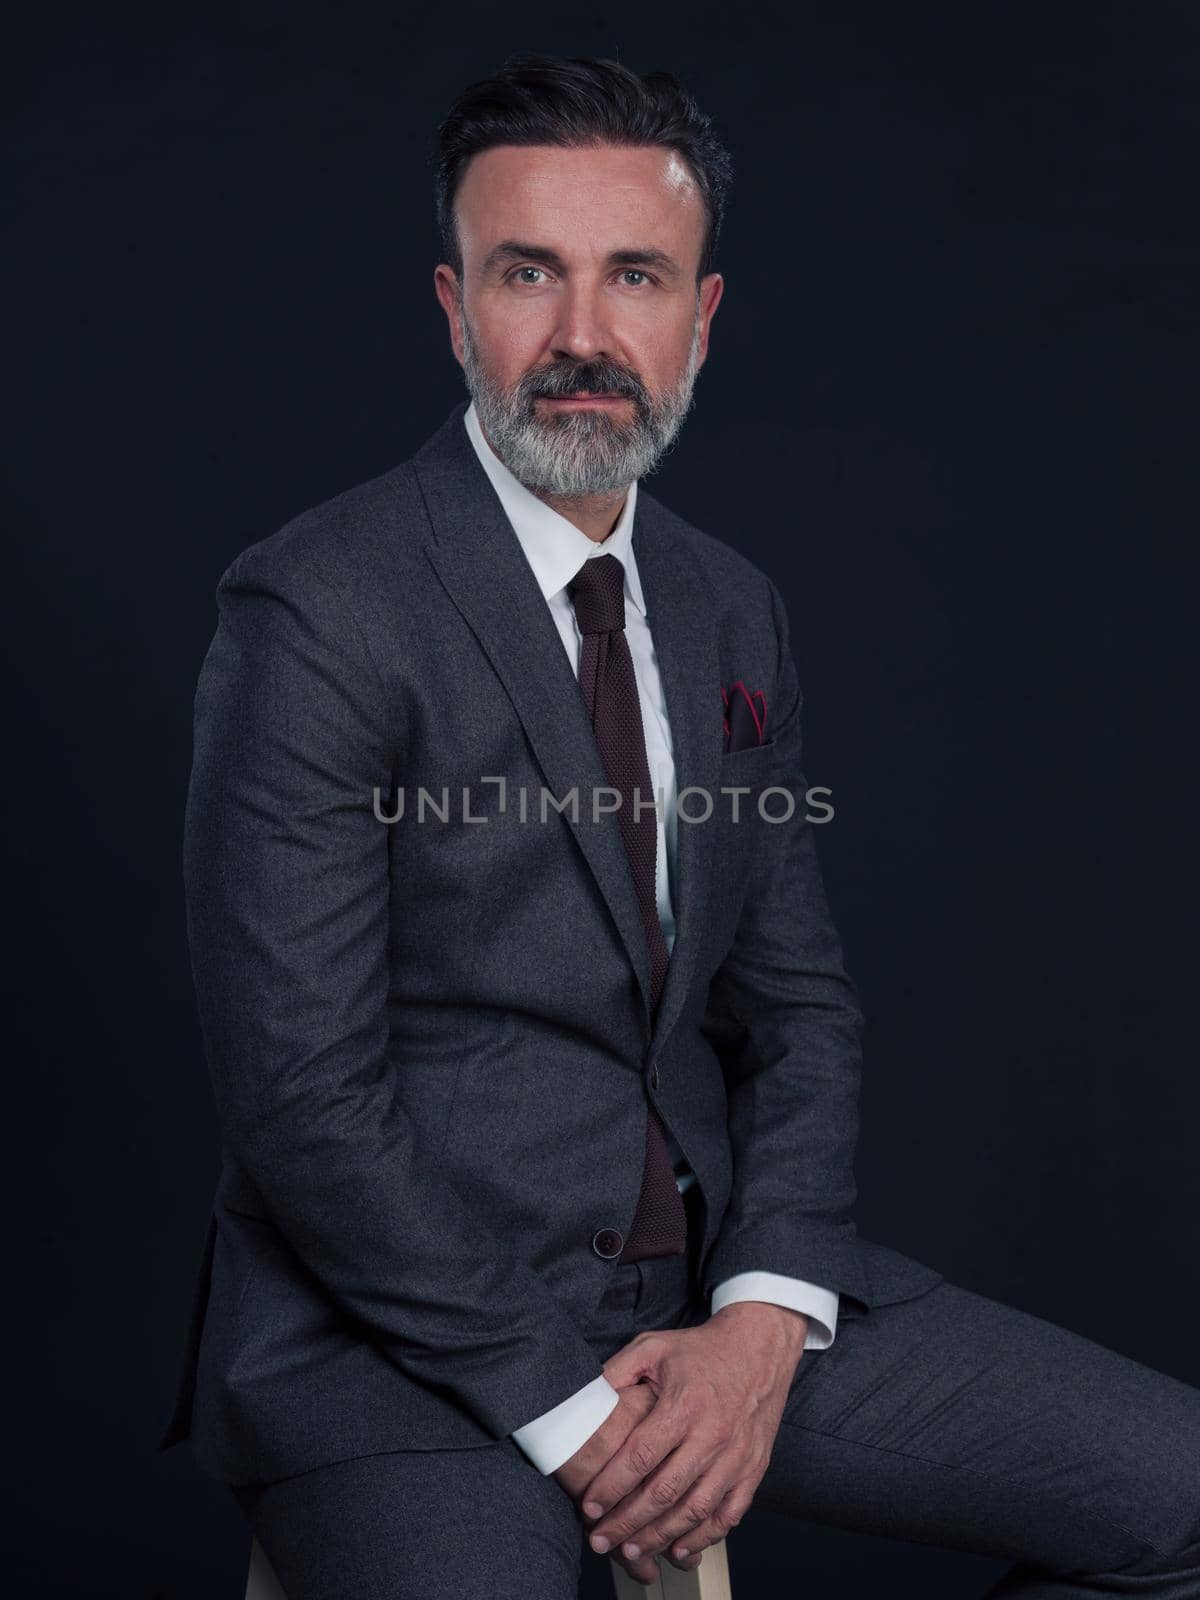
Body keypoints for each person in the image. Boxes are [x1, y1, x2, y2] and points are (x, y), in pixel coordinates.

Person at [157, 51, 1200, 1598]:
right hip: (404, 1347)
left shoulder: (729, 610)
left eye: (633, 275)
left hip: (711, 1298)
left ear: (700, 317)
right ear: (453, 306)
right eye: (530, 274)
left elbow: (796, 1006)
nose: (583, 336)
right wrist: (577, 1412)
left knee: (1178, 1504)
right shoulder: (317, 607)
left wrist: (765, 1320)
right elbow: (303, 1093)